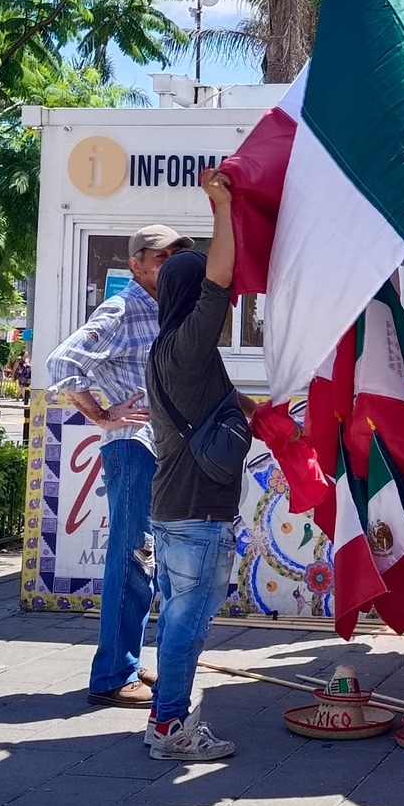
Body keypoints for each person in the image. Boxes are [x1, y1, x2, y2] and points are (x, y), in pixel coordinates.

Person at [47, 222, 191, 709]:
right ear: (136, 263)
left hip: (156, 448)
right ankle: (110, 676)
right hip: (133, 447)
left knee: (147, 562)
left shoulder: (163, 308)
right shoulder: (125, 307)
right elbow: (61, 362)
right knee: (132, 562)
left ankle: (126, 662)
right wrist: (102, 415)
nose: (169, 264)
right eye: (161, 257)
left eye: (176, 257)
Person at [143, 172, 250, 761]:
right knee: (186, 626)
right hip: (195, 514)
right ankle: (171, 729)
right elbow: (219, 282)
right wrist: (223, 207)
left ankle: (165, 719)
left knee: (182, 618)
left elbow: (220, 404)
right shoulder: (187, 346)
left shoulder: (173, 351)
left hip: (177, 509)